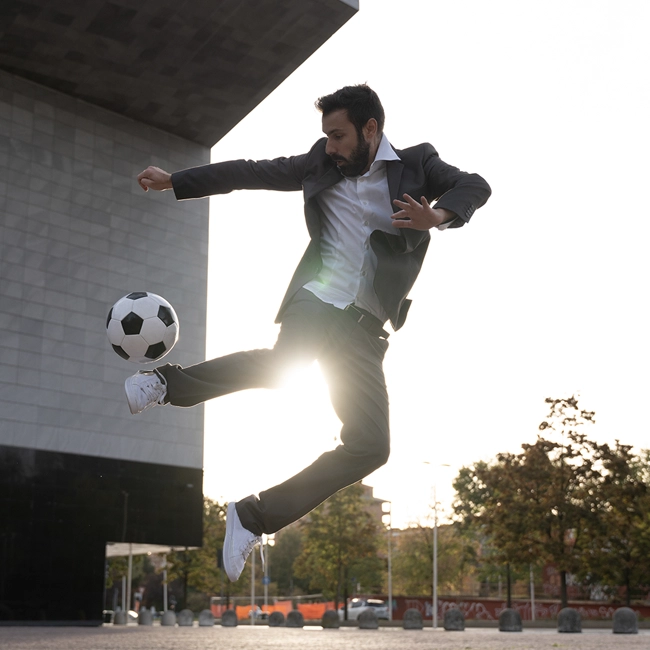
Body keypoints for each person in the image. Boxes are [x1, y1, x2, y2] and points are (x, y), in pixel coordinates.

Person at [127, 84, 491, 582]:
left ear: (370, 129)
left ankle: (253, 515)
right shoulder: (319, 162)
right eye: (325, 137)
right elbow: (250, 171)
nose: (331, 146)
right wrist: (177, 180)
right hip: (317, 298)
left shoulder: (418, 163)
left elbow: (475, 184)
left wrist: (439, 215)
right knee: (283, 368)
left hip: (362, 326)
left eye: (339, 136)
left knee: (370, 446)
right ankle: (166, 383)